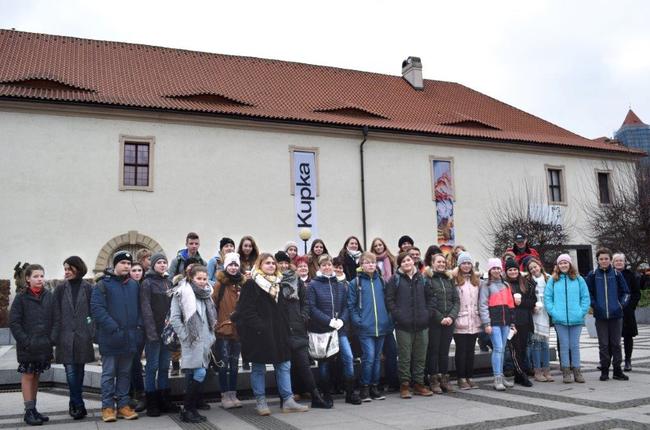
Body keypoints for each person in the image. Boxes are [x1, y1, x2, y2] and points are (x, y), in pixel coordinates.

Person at [237, 253, 309, 415]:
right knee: (258, 368)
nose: (271, 266)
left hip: (279, 333)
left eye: (273, 263)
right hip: (258, 334)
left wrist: (286, 328)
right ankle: (261, 402)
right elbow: (246, 311)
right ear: (260, 265)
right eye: (267, 263)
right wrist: (261, 327)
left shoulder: (279, 283)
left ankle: (288, 400)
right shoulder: (251, 284)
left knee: (284, 365)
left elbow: (283, 310)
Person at [91, 251, 142, 422]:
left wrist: (138, 328)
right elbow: (97, 309)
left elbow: (140, 307)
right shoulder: (102, 285)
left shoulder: (134, 285)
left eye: (129, 263)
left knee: (125, 373)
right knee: (108, 374)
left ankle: (123, 406)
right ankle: (107, 407)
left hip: (129, 337)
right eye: (123, 263)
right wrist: (114, 328)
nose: (127, 266)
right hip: (110, 337)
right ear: (115, 265)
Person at [275, 251, 330, 409]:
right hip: (281, 330)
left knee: (304, 364)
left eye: (286, 262)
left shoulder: (296, 280)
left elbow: (305, 302)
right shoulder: (272, 282)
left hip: (298, 328)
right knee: (285, 366)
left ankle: (315, 396)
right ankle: (285, 398)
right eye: (281, 263)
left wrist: (303, 316)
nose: (284, 265)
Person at [308, 254, 360, 405]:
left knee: (348, 357)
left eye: (329, 264)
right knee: (324, 363)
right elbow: (312, 308)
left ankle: (350, 393)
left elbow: (345, 306)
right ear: (319, 267)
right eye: (323, 265)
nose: (327, 267)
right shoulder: (313, 285)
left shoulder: (340, 284)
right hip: (323, 330)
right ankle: (326, 394)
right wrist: (328, 321)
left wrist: (341, 320)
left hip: (339, 329)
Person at [10, 264, 57, 426]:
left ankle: (34, 408)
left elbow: (56, 319)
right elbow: (14, 322)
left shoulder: (49, 296)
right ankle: (28, 411)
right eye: (36, 276)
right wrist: (26, 341)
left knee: (36, 375)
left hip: (44, 344)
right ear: (28, 279)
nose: (39, 279)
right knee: (28, 375)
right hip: (28, 346)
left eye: (41, 276)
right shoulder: (21, 298)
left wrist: (51, 339)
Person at [169, 264, 217, 423]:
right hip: (190, 340)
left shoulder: (207, 293)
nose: (202, 282)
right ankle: (188, 409)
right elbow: (175, 318)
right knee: (199, 373)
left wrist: (211, 336)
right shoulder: (181, 292)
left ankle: (189, 410)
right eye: (199, 278)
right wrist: (185, 336)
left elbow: (209, 318)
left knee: (193, 375)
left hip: (204, 340)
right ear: (191, 277)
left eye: (204, 278)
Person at [385, 252, 435, 398]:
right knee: (405, 357)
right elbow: (390, 300)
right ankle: (405, 385)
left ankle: (419, 384)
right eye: (403, 261)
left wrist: (428, 314)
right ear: (399, 264)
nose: (407, 263)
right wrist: (398, 316)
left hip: (422, 324)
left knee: (420, 356)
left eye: (408, 260)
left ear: (413, 262)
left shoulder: (422, 278)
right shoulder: (395, 280)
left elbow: (431, 298)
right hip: (403, 326)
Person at [53, 256, 95, 420]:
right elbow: (55, 312)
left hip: (83, 337)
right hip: (65, 336)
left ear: (78, 268)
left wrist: (90, 328)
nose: (67, 272)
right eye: (65, 269)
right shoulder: (60, 288)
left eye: (69, 269)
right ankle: (78, 403)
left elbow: (92, 313)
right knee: (70, 372)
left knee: (80, 372)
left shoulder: (88, 288)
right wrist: (55, 335)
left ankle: (74, 402)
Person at [348, 252, 391, 402]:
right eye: (367, 262)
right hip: (365, 327)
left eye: (372, 262)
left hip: (382, 326)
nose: (370, 265)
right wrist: (358, 321)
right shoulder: (356, 283)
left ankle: (374, 386)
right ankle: (364, 387)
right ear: (361, 264)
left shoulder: (381, 281)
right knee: (369, 357)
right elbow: (351, 305)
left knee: (377, 359)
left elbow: (388, 303)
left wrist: (388, 320)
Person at [140, 253, 178, 416]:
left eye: (165, 262)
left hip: (167, 332)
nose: (163, 265)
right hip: (153, 333)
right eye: (159, 262)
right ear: (153, 265)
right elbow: (146, 309)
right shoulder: (147, 283)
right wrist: (151, 332)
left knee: (164, 366)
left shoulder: (168, 282)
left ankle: (164, 400)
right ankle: (152, 402)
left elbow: (173, 308)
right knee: (152, 367)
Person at [544, 254, 590, 383]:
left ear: (570, 264)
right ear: (557, 266)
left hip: (576, 318)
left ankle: (577, 371)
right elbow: (548, 298)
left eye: (565, 263)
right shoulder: (553, 280)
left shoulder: (579, 279)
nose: (563, 265)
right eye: (561, 263)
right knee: (564, 346)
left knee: (574, 345)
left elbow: (585, 297)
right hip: (560, 319)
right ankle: (566, 372)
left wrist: (581, 312)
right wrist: (554, 312)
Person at [586, 248, 630, 381]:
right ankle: (604, 370)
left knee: (616, 343)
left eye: (606, 258)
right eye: (601, 259)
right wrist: (595, 305)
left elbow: (626, 292)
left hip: (616, 315)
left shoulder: (617, 274)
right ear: (598, 260)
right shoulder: (593, 274)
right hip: (600, 316)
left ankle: (617, 370)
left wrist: (621, 305)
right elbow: (588, 294)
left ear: (610, 260)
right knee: (603, 344)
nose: (604, 261)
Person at [212, 252, 246, 409]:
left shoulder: (242, 283)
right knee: (223, 364)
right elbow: (212, 304)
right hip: (223, 329)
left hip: (238, 330)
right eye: (230, 265)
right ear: (226, 266)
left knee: (234, 364)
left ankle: (233, 393)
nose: (233, 268)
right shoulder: (220, 284)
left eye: (235, 265)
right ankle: (224, 394)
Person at [479, 258, 516, 391]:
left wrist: (512, 322)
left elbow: (510, 304)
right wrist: (486, 323)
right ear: (489, 270)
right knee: (498, 348)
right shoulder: (485, 285)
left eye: (498, 268)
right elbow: (482, 305)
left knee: (502, 348)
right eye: (493, 268)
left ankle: (501, 375)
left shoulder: (506, 285)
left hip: (505, 322)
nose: (496, 270)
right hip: (493, 322)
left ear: (501, 269)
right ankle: (497, 378)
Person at [424, 253, 459, 394]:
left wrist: (451, 316)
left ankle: (444, 378)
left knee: (444, 351)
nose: (441, 264)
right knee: (434, 351)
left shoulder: (449, 279)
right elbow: (428, 302)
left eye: (443, 262)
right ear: (432, 263)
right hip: (434, 322)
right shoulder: (428, 280)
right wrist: (440, 318)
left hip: (449, 321)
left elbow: (456, 300)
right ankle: (433, 379)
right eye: (438, 262)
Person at [452, 252, 481, 390]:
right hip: (460, 320)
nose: (466, 265)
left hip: (474, 320)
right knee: (461, 351)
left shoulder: (476, 281)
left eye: (469, 263)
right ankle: (461, 378)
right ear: (459, 265)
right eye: (464, 263)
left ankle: (470, 377)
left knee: (471, 351)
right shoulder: (455, 280)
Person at [503, 258, 534, 387]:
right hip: (511, 322)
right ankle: (522, 374)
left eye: (515, 269)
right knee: (514, 350)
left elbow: (532, 301)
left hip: (525, 321)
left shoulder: (525, 283)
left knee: (522, 349)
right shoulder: (504, 285)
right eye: (510, 270)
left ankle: (518, 375)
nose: (513, 272)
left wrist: (522, 303)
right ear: (506, 271)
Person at [524, 256, 554, 382]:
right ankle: (537, 371)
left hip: (546, 314)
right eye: (531, 268)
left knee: (545, 344)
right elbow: (526, 297)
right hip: (534, 315)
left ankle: (546, 370)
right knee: (536, 344)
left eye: (535, 267)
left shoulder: (549, 278)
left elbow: (553, 295)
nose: (533, 270)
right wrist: (532, 308)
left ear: (540, 266)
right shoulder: (528, 281)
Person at [613, 253, 642, 372]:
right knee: (613, 338)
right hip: (613, 310)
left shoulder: (631, 275)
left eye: (621, 260)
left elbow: (636, 293)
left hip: (627, 311)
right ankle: (612, 360)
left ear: (624, 262)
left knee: (628, 337)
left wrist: (630, 307)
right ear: (613, 262)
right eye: (616, 261)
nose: (619, 263)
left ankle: (628, 360)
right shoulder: (610, 274)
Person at [128, 261, 146, 412]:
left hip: (140, 329)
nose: (137, 273)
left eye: (139, 270)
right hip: (128, 329)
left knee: (135, 361)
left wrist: (140, 324)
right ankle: (131, 394)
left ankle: (139, 394)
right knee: (131, 362)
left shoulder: (144, 285)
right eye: (134, 270)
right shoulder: (128, 286)